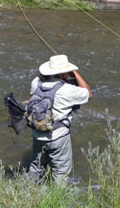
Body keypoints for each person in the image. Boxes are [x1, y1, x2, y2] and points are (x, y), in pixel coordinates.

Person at [28, 54, 92, 183]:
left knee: (36, 166)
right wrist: (75, 73)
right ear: (64, 73)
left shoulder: (36, 83)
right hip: (58, 136)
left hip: (37, 133)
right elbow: (88, 93)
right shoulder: (67, 90)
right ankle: (58, 200)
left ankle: (30, 193)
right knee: (61, 171)